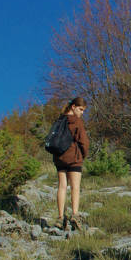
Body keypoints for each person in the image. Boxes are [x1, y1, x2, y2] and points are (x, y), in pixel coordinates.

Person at [53, 97, 89, 230]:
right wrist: (83, 155)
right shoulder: (76, 121)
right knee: (75, 187)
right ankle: (75, 214)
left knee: (62, 186)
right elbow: (84, 141)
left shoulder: (59, 120)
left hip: (59, 157)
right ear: (73, 107)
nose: (82, 112)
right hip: (74, 157)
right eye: (81, 109)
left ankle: (60, 217)